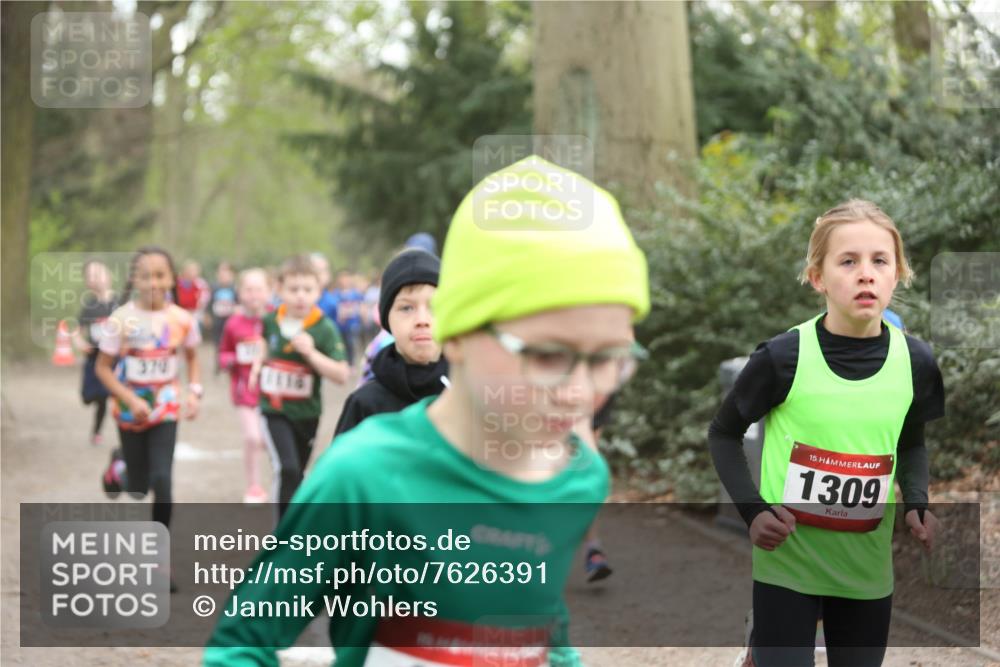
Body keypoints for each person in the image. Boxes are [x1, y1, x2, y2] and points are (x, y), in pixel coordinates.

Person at [204, 155, 650, 666]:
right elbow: (240, 647)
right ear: (457, 335)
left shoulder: (579, 478)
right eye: (547, 355)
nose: (578, 393)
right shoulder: (362, 475)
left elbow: (542, 624)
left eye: (609, 359)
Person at [709, 199, 945, 667]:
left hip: (865, 571)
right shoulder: (782, 358)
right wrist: (753, 513)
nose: (866, 273)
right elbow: (723, 433)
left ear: (898, 274)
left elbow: (911, 441)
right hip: (787, 564)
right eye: (848, 261)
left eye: (880, 261)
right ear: (818, 277)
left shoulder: (916, 362)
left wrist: (917, 502)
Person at [94, 246, 202, 589]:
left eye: (160, 275)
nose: (154, 282)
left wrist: (193, 391)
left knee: (163, 480)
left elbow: (192, 358)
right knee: (139, 488)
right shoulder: (120, 320)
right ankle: (120, 467)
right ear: (134, 279)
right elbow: (102, 369)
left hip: (166, 409)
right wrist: (128, 397)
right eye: (145, 275)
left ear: (171, 278)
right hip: (129, 412)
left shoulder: (182, 319)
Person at [249, 255, 350, 520]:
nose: (300, 297)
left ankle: (295, 527)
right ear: (279, 289)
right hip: (274, 409)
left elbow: (342, 374)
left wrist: (311, 354)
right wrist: (258, 363)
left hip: (307, 414)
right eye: (293, 289)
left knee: (298, 474)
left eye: (308, 289)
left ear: (318, 291)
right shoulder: (271, 321)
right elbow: (261, 344)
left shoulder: (324, 329)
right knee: (288, 469)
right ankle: (281, 536)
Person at [333, 248, 447, 436]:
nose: (422, 319)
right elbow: (342, 464)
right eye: (407, 308)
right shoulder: (364, 404)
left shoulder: (469, 396)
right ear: (387, 320)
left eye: (434, 306)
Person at [218, 268, 271, 504]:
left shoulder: (276, 319)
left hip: (273, 392)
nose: (254, 295)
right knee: (252, 438)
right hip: (245, 393)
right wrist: (235, 359)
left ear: (269, 292)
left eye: (259, 289)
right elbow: (222, 355)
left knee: (273, 442)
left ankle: (286, 483)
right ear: (239, 293)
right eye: (248, 289)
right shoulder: (233, 324)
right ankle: (253, 486)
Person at [75, 260, 117, 446]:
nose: (96, 279)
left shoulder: (120, 303)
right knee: (88, 397)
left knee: (105, 395)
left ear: (109, 276)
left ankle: (97, 431)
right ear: (87, 282)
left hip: (114, 359)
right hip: (93, 358)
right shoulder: (89, 307)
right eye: (91, 275)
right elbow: (77, 330)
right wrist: (81, 343)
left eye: (98, 273)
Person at [209, 261, 238, 372]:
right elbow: (209, 303)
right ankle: (218, 364)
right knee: (217, 343)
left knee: (231, 342)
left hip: (230, 321)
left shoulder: (234, 289)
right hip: (218, 321)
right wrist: (208, 315)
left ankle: (230, 363)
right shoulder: (214, 288)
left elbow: (239, 302)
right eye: (221, 272)